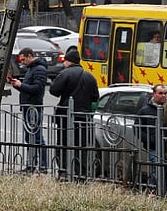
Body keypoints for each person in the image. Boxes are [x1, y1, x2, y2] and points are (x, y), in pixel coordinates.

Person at [50, 49, 99, 178]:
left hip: (65, 116)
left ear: (68, 61)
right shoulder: (90, 76)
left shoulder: (65, 74)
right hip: (83, 117)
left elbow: (54, 90)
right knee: (80, 146)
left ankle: (63, 170)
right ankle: (80, 173)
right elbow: (95, 97)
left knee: (63, 143)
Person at [8, 47, 49, 173]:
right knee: (29, 137)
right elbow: (29, 88)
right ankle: (31, 164)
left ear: (30, 56)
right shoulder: (32, 69)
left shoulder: (39, 69)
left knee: (36, 138)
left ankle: (42, 166)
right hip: (28, 107)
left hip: (34, 107)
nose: (22, 62)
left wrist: (21, 85)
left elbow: (37, 88)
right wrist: (18, 86)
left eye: (24, 59)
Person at [136, 84, 167, 189]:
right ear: (153, 94)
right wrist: (149, 140)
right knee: (156, 169)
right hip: (153, 146)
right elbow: (138, 128)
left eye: (165, 93)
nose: (163, 96)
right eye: (160, 93)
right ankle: (152, 191)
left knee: (166, 170)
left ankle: (164, 192)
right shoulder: (144, 110)